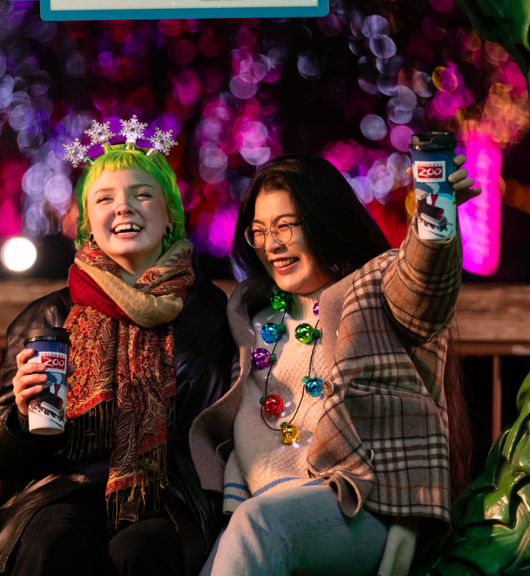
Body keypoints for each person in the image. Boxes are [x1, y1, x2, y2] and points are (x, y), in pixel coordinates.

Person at [190, 154, 478, 576]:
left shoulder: (372, 290)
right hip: (268, 512)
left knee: (258, 526)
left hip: (358, 502)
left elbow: (421, 285)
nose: (272, 243)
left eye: (286, 225)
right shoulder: (254, 319)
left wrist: (433, 224)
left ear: (324, 220)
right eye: (260, 230)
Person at [0, 131, 236, 576]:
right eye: (105, 198)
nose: (123, 207)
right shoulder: (50, 316)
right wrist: (21, 417)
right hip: (65, 487)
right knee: (52, 544)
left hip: (172, 493)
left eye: (142, 194)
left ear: (169, 213)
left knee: (142, 550)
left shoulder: (213, 314)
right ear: (87, 222)